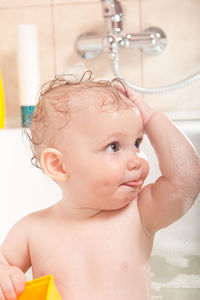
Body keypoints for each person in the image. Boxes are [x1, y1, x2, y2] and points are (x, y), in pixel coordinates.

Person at [0, 63, 200, 300]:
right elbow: (4, 263)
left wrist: (151, 117)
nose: (136, 160)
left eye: (137, 142)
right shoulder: (31, 230)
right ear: (58, 165)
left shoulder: (140, 214)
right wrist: (5, 275)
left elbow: (186, 179)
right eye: (114, 146)